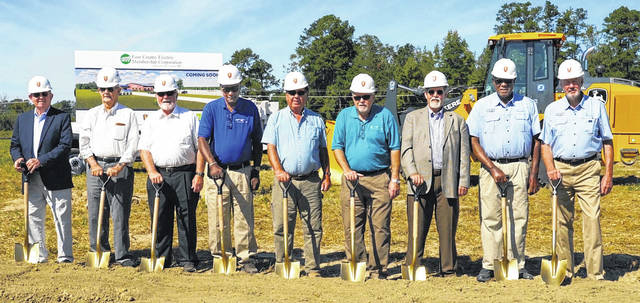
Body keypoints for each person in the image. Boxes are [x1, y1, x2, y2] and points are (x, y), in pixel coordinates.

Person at [466, 58, 540, 282]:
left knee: (518, 217)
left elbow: (537, 141)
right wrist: (492, 167)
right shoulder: (481, 106)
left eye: (507, 80)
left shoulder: (528, 105)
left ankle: (518, 264)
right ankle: (490, 264)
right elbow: (474, 141)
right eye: (499, 80)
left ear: (514, 80)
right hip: (490, 167)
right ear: (493, 81)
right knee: (490, 218)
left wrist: (534, 173)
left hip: (519, 166)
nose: (503, 84)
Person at [540, 59, 613, 281]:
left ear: (582, 81)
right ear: (561, 84)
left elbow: (607, 142)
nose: (571, 85)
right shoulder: (553, 110)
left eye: (575, 81)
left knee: (592, 220)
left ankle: (595, 272)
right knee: (562, 222)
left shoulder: (596, 107)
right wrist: (550, 168)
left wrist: (608, 174)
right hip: (560, 170)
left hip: (589, 168)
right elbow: (545, 145)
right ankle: (565, 270)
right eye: (567, 82)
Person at [400, 70, 470, 276]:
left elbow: (464, 154)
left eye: (439, 91)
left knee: (447, 229)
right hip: (419, 183)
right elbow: (406, 150)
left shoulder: (457, 121)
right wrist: (412, 173)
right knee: (417, 229)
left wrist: (463, 180)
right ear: (425, 94)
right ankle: (412, 264)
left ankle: (448, 268)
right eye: (431, 91)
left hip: (447, 180)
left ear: (446, 93)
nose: (435, 95)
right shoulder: (412, 118)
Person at [332, 73, 401, 279]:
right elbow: (337, 147)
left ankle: (378, 268)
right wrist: (346, 170)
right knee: (352, 226)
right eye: (357, 97)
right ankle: (358, 264)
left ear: (373, 96)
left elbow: (395, 148)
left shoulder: (385, 116)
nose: (362, 101)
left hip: (380, 178)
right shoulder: (344, 116)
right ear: (352, 97)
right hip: (352, 180)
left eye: (366, 96)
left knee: (380, 227)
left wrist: (395, 179)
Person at [262, 71, 331, 277]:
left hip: (310, 181)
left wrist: (326, 175)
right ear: (285, 94)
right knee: (283, 226)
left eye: (300, 92)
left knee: (313, 227)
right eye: (292, 92)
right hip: (285, 182)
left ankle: (313, 268)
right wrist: (278, 171)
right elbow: (271, 147)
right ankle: (284, 263)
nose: (296, 96)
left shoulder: (316, 120)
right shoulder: (276, 118)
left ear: (307, 93)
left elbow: (322, 150)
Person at [198, 64, 262, 273]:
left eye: (234, 88)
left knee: (244, 217)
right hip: (218, 174)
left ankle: (246, 258)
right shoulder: (211, 109)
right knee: (218, 218)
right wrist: (213, 164)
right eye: (226, 89)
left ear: (240, 86)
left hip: (242, 171)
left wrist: (256, 170)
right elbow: (202, 140)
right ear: (221, 89)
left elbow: (257, 142)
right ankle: (221, 255)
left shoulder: (250, 108)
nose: (230, 93)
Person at [138, 74, 204, 272]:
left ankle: (187, 259)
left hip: (185, 174)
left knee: (186, 219)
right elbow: (144, 149)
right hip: (159, 176)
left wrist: (199, 174)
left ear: (176, 93)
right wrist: (151, 172)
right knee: (160, 219)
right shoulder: (150, 120)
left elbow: (200, 147)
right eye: (161, 94)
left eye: (169, 93)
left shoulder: (189, 117)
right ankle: (162, 258)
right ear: (156, 96)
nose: (165, 97)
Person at [10, 76, 74, 263]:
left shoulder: (61, 117)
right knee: (34, 217)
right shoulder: (22, 120)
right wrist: (18, 158)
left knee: (61, 218)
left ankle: (65, 256)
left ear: (51, 95)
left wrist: (41, 161)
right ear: (30, 97)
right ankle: (39, 255)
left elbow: (64, 146)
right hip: (31, 178)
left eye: (44, 94)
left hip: (56, 178)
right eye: (36, 94)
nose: (41, 97)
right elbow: (15, 145)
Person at [79, 67, 139, 267]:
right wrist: (94, 164)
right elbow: (84, 143)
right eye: (103, 88)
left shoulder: (128, 114)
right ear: (98, 90)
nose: (107, 92)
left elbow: (132, 144)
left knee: (120, 213)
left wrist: (121, 165)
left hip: (120, 169)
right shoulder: (91, 114)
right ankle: (99, 251)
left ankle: (122, 255)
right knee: (96, 213)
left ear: (118, 90)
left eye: (111, 88)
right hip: (96, 167)